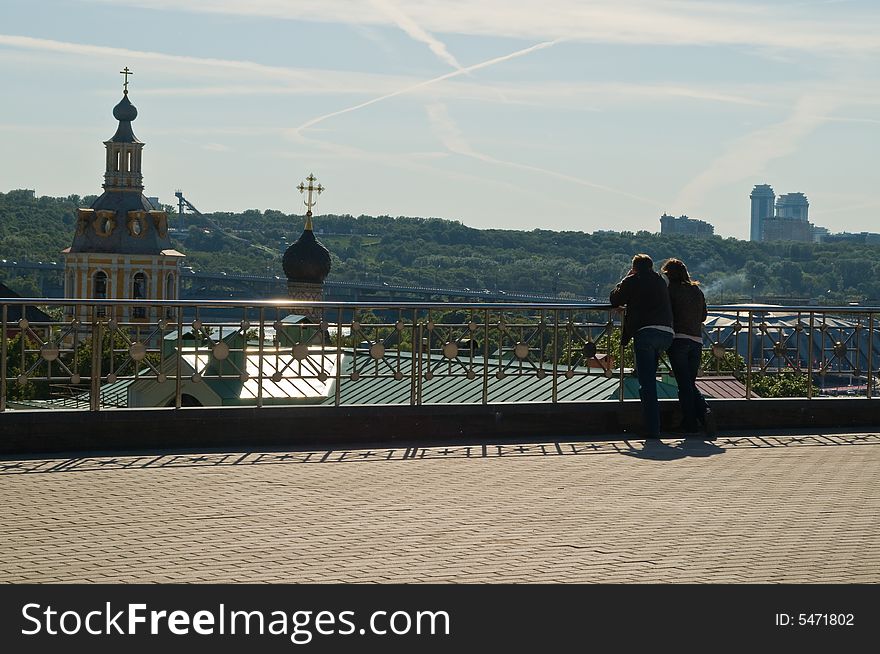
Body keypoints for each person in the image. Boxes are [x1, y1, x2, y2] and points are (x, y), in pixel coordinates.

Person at [610, 254, 674, 439]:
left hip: (646, 333)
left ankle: (652, 429)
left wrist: (625, 279)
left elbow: (615, 299)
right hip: (667, 333)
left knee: (646, 384)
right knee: (650, 379)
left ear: (635, 268)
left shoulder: (633, 279)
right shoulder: (660, 281)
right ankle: (654, 424)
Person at [660, 258, 716, 439]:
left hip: (678, 340)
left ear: (669, 274)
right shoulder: (696, 290)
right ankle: (702, 415)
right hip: (697, 341)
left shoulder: (671, 291)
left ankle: (692, 422)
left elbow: (665, 311)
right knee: (688, 383)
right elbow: (703, 316)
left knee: (684, 385)